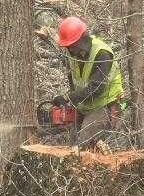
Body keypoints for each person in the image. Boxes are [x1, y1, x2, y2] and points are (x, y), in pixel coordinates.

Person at [52, 16, 124, 149]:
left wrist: (69, 97)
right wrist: (68, 100)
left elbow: (96, 88)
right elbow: (75, 81)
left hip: (105, 105)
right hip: (84, 104)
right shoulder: (73, 55)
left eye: (72, 46)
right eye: (68, 47)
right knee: (71, 142)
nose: (70, 50)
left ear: (81, 41)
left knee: (82, 144)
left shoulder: (102, 54)